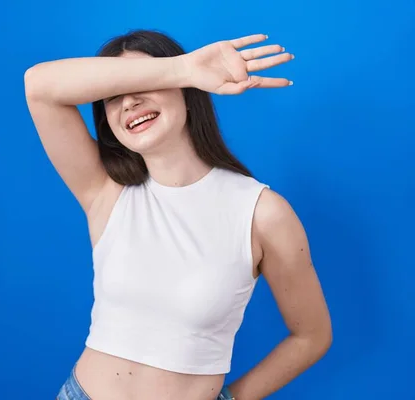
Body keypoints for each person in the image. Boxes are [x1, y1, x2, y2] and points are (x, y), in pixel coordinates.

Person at [24, 29, 332, 400]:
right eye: (113, 96)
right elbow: (38, 85)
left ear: (188, 93)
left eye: (146, 81)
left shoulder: (261, 213)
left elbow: (312, 336)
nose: (129, 103)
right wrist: (184, 68)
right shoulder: (105, 190)